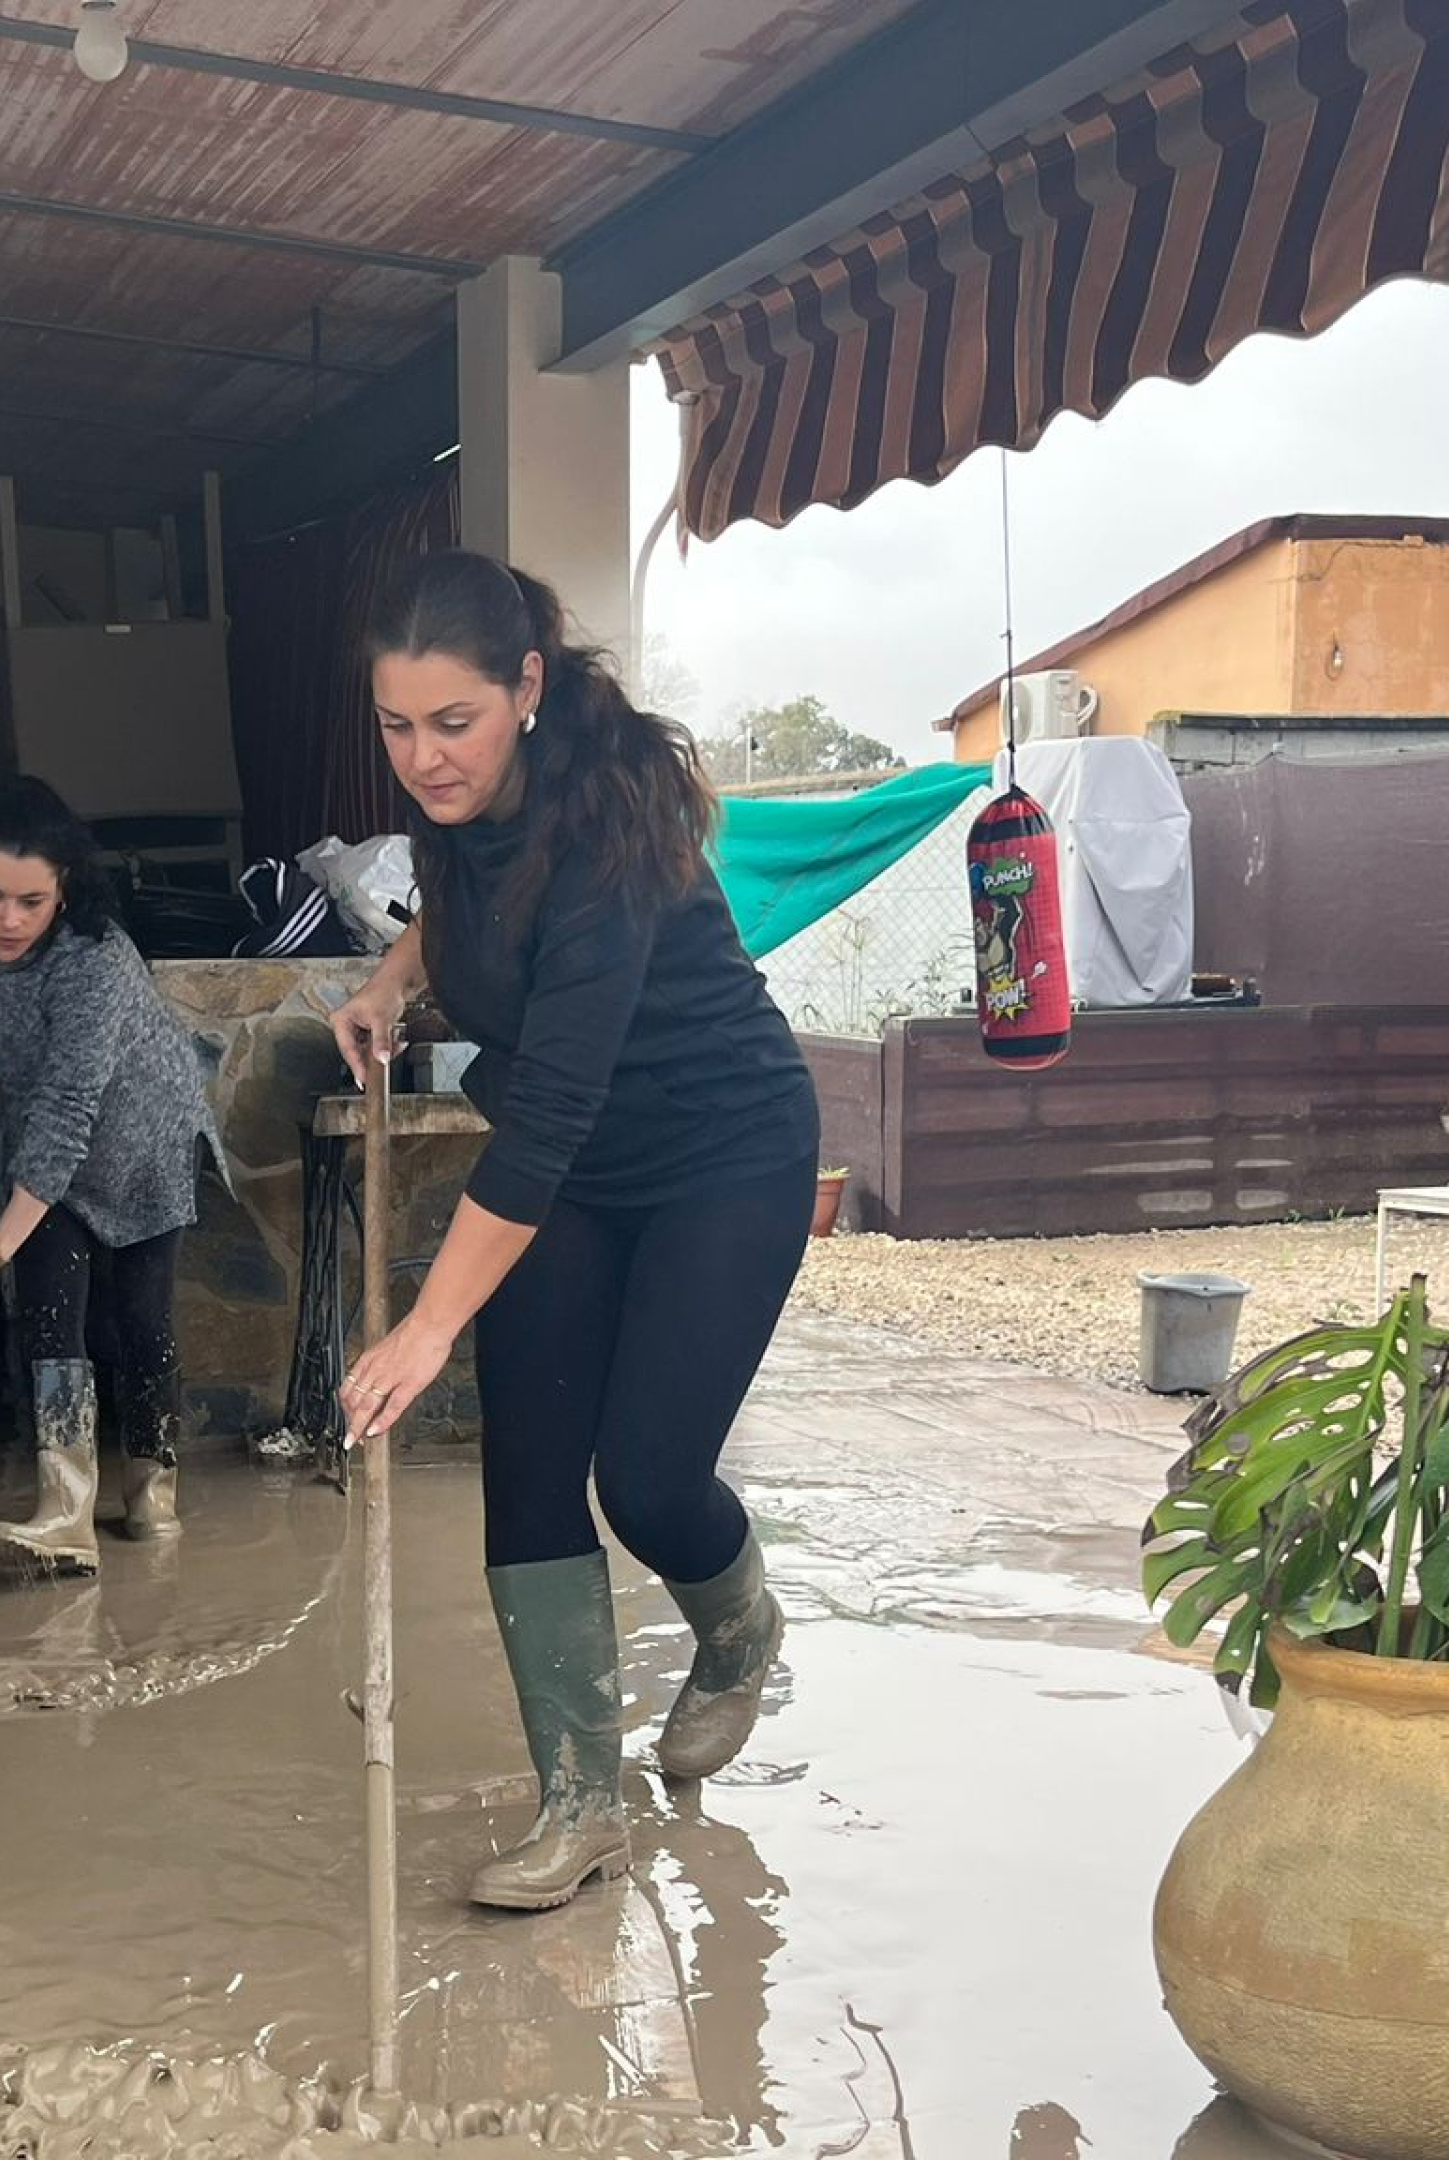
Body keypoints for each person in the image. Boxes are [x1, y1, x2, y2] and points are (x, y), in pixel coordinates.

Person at [331, 550, 820, 1913]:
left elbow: (543, 1112)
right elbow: (465, 898)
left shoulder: (613, 833)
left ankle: (739, 1625)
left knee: (649, 1480)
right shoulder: (466, 807)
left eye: (454, 724)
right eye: (396, 725)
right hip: (585, 1168)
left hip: (724, 1151)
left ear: (527, 687)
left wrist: (430, 1323)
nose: (424, 759)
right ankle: (581, 1805)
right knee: (533, 1466)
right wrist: (390, 976)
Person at [0, 776, 215, 1572]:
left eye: (31, 902)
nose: (6, 919)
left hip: (140, 1130)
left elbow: (67, 1114)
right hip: (42, 1129)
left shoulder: (95, 963)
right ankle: (66, 1508)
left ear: (64, 893)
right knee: (52, 1312)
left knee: (139, 1318)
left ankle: (151, 1494)